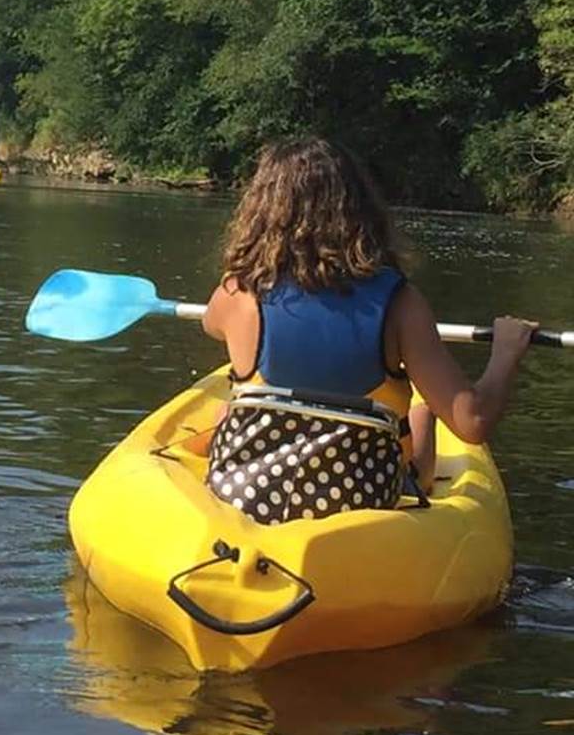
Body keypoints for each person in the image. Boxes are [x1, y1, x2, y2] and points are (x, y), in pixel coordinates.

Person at [199, 137, 536, 520]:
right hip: (356, 501)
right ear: (360, 210)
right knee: (419, 417)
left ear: (260, 211)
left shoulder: (237, 291)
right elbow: (472, 422)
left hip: (248, 496)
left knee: (226, 409)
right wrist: (507, 352)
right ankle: (422, 415)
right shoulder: (400, 303)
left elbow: (212, 325)